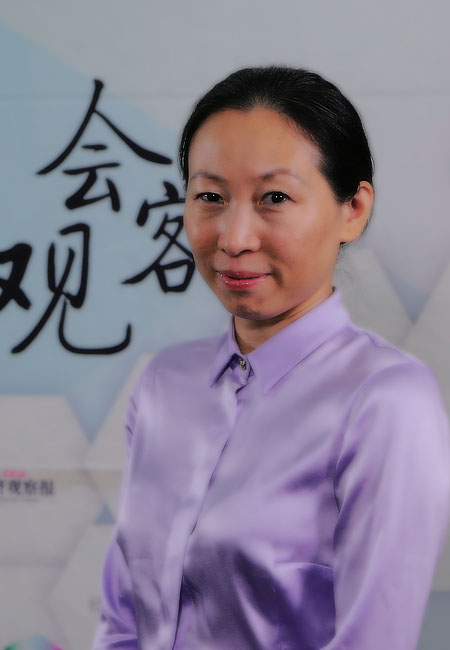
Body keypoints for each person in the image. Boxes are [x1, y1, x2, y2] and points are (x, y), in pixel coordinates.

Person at [92, 66, 450, 650]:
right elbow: (122, 618)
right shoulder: (164, 384)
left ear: (353, 210)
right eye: (210, 197)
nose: (233, 238)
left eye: (275, 198)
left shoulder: (385, 401)